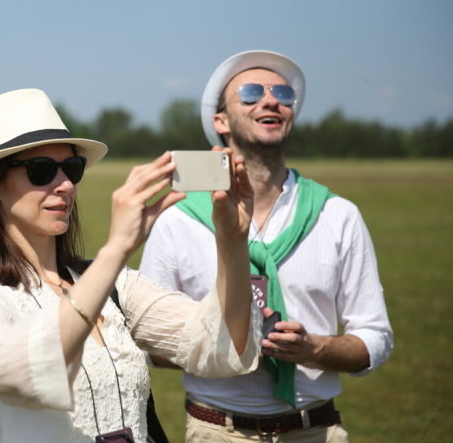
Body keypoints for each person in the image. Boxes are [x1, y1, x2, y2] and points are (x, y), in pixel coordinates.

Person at [0, 88, 263, 442]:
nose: (64, 185)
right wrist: (116, 249)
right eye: (41, 170)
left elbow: (220, 346)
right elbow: (19, 375)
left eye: (72, 168)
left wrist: (232, 239)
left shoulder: (118, 285)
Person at [139, 50, 394, 442]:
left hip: (315, 430)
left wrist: (315, 348)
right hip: (217, 431)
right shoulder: (177, 220)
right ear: (220, 121)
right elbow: (148, 341)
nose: (271, 100)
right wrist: (226, 344)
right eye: (252, 92)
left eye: (284, 94)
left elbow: (375, 338)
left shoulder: (338, 215)